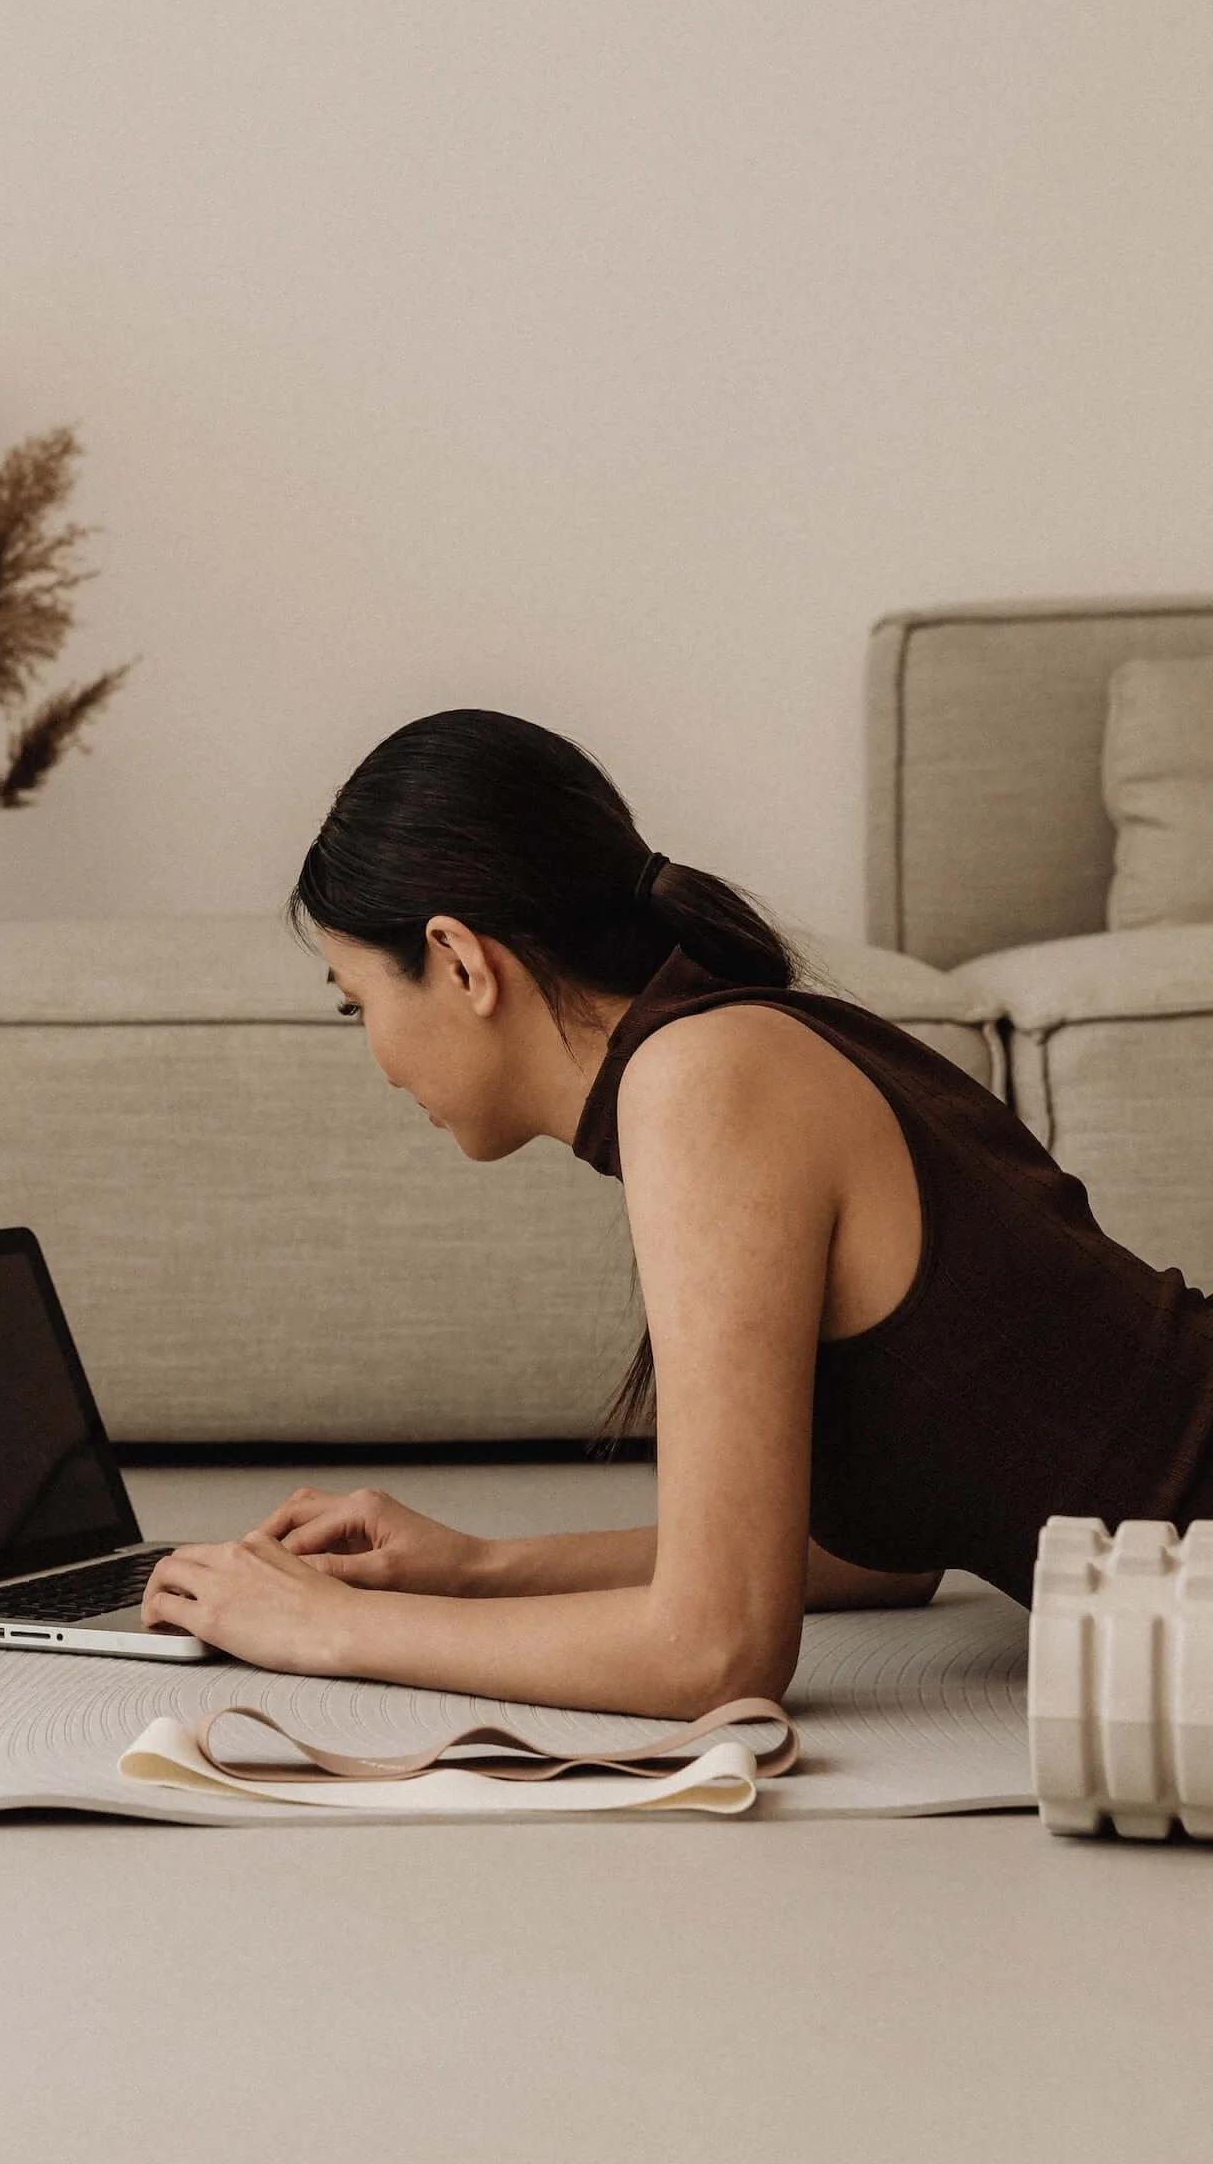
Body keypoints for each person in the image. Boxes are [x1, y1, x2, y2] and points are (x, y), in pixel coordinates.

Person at [141, 708, 1213, 1715]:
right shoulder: (734, 1047)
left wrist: (323, 1628)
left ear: (461, 961)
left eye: (357, 1003)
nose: (375, 1059)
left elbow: (715, 1652)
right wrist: (474, 1569)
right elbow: (886, 1546)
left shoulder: (700, 1079)